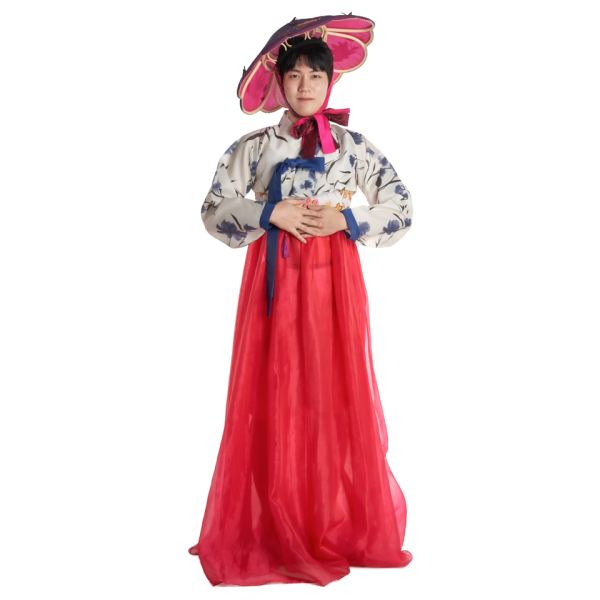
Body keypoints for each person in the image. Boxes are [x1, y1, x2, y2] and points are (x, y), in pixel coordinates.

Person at [188, 34, 414, 587]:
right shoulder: (255, 146)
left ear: (331, 81)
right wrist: (270, 213)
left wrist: (347, 220)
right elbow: (213, 209)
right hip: (274, 283)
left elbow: (402, 206)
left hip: (333, 283)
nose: (306, 86)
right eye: (295, 76)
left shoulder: (352, 147)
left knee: (331, 392)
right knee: (273, 392)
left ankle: (327, 523)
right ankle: (275, 524)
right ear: (279, 82)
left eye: (316, 75)